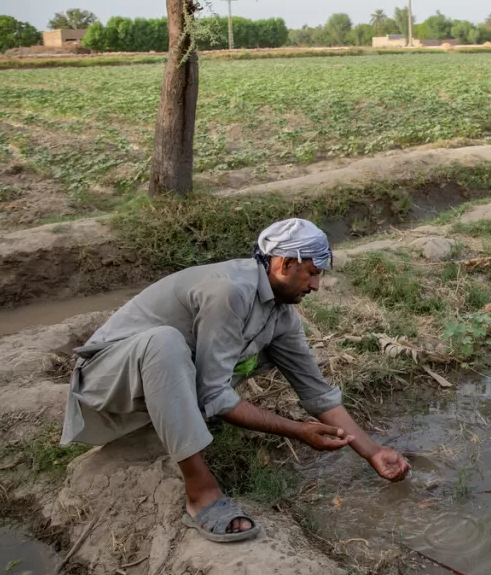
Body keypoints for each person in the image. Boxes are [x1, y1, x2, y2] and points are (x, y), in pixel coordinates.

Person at [61, 218, 410, 543]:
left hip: (147, 396)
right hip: (103, 388)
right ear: (283, 264)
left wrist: (373, 452)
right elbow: (214, 392)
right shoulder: (230, 292)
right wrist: (297, 430)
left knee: (230, 355)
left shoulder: (280, 314)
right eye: (311, 273)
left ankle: (182, 433)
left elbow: (317, 392)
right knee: (164, 342)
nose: (317, 286)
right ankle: (201, 494)